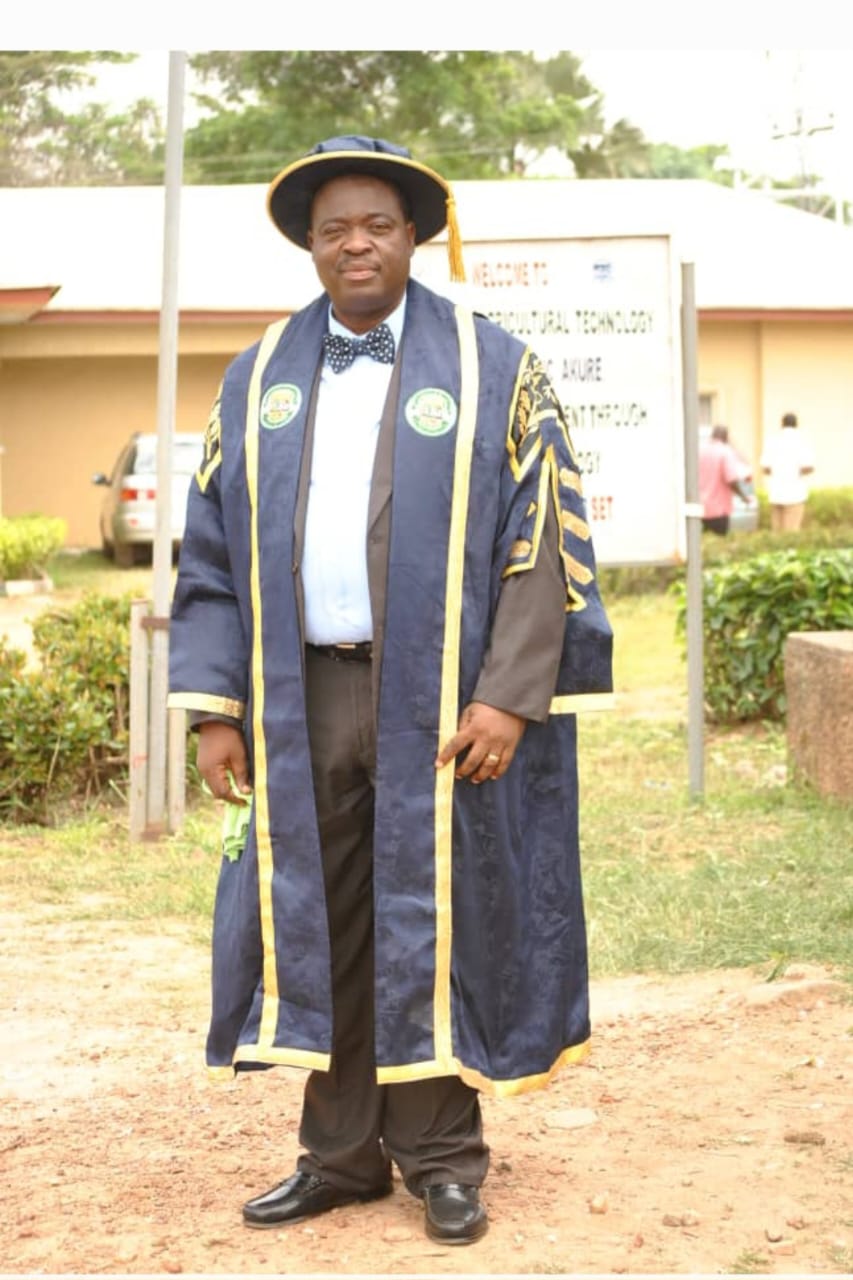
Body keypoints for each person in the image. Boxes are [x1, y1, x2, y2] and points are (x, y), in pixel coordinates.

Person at [168, 135, 613, 1247]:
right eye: (334, 228)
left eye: (376, 223)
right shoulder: (257, 372)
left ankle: (442, 1156)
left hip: (441, 701)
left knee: (433, 919)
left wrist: (509, 694)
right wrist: (216, 705)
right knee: (323, 918)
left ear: (412, 232)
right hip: (298, 694)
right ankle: (339, 1153)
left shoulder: (489, 363)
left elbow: (544, 536)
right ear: (310, 245)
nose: (355, 241)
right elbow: (210, 547)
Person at [760, 411, 815, 532]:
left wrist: (778, 472)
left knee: (777, 532)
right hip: (794, 493)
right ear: (796, 424)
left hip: (776, 493)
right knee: (791, 533)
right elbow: (808, 467)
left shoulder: (772, 440)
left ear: (782, 424)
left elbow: (765, 468)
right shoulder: (802, 440)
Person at [698, 424, 755, 535]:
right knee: (719, 540)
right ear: (726, 437)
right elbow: (731, 480)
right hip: (719, 510)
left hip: (701, 507)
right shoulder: (725, 452)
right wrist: (743, 497)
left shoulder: (701, 450)